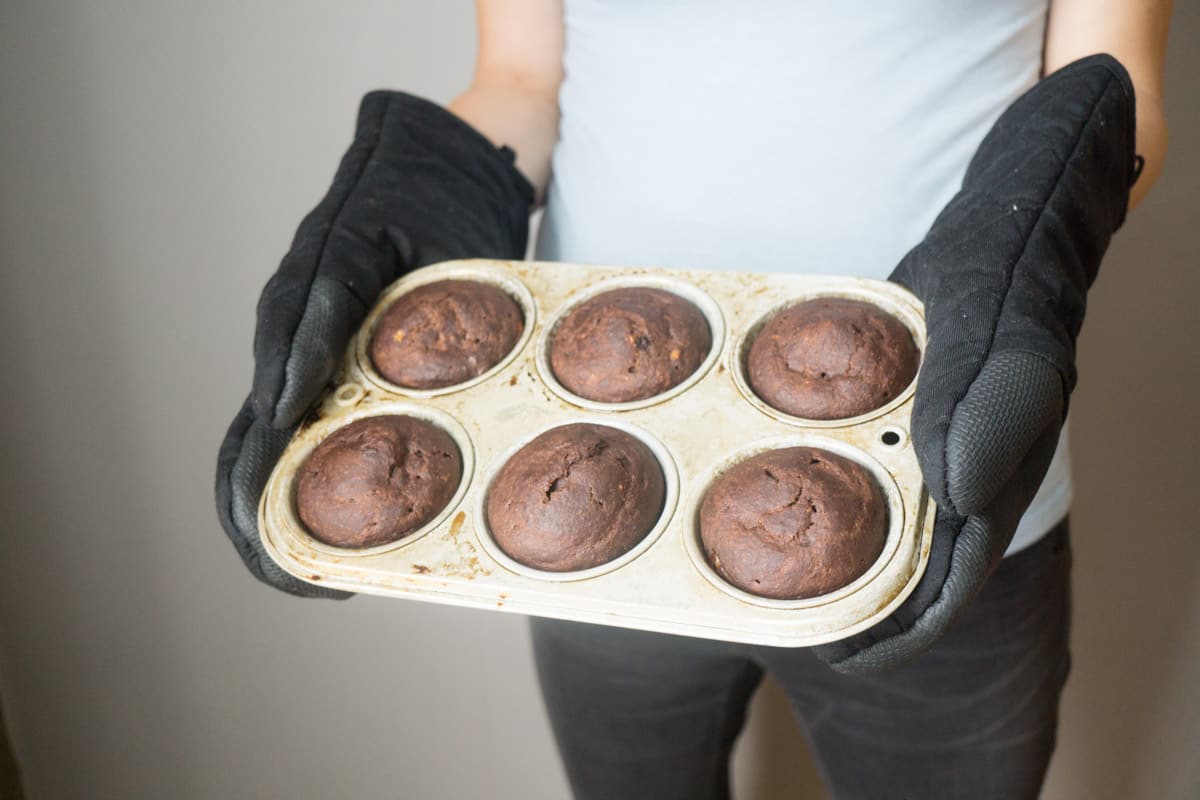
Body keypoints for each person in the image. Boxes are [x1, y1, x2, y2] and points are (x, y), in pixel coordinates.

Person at [216, 1, 1172, 797]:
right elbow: (519, 76)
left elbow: (1110, 76)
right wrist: (429, 190)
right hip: (591, 485)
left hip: (954, 477)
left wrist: (1035, 230)